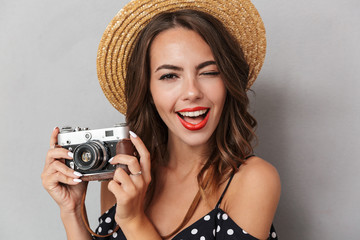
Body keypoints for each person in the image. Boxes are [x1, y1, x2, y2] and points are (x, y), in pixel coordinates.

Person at [41, 0, 281, 239]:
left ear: (228, 82)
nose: (192, 92)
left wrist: (134, 220)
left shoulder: (253, 180)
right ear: (149, 92)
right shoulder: (124, 173)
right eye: (169, 76)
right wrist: (71, 210)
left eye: (209, 72)